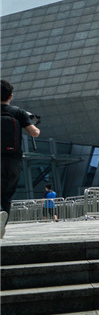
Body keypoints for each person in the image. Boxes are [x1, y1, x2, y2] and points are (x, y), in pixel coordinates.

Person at [1, 79, 40, 238]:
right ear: (11, 95)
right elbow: (34, 133)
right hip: (13, 160)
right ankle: (2, 224)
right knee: (7, 194)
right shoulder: (18, 112)